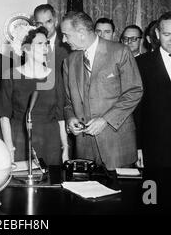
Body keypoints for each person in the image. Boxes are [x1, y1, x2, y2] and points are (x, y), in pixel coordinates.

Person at [61, 11, 143, 170]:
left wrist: (105, 120)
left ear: (81, 33)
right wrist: (71, 119)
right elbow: (68, 102)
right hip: (84, 150)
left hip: (117, 147)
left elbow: (134, 91)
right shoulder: (69, 62)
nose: (64, 40)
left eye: (66, 35)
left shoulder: (120, 52)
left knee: (122, 194)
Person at [0, 26, 68, 165]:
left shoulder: (54, 76)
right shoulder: (11, 75)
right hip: (21, 139)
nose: (45, 48)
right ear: (26, 48)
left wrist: (65, 147)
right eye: (40, 44)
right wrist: (9, 148)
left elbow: (60, 116)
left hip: (50, 141)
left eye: (46, 44)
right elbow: (4, 115)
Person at [136, 12, 171, 174]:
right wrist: (138, 147)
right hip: (154, 150)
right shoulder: (141, 64)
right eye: (167, 34)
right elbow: (137, 110)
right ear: (158, 34)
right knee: (153, 198)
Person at [33, 4, 70, 74]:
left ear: (55, 22)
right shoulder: (30, 46)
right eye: (40, 23)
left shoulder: (68, 45)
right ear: (35, 25)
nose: (44, 27)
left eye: (48, 22)